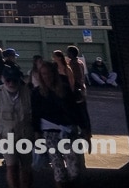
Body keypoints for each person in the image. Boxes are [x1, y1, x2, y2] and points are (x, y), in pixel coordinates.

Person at [32, 60, 80, 188]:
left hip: (67, 129)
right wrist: (37, 133)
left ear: (54, 74)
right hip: (48, 131)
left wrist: (82, 127)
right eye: (43, 74)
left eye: (48, 73)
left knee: (74, 166)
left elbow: (75, 109)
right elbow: (35, 114)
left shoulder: (64, 89)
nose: (46, 76)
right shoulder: (37, 93)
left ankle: (71, 182)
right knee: (57, 165)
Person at [0, 63, 33, 188]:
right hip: (6, 136)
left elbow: (36, 117)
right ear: (3, 79)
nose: (11, 83)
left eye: (14, 80)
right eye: (8, 80)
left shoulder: (29, 93)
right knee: (12, 166)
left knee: (27, 168)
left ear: (19, 80)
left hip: (25, 135)